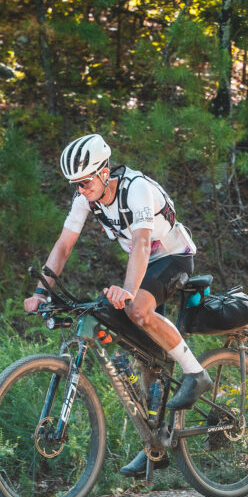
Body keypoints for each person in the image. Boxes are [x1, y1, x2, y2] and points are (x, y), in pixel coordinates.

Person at [24, 133, 212, 478]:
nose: (80, 189)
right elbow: (64, 245)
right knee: (139, 349)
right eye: (75, 184)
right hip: (144, 264)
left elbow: (142, 243)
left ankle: (196, 373)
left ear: (103, 172)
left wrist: (128, 290)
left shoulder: (135, 188)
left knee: (137, 309)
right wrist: (41, 292)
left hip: (173, 257)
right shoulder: (87, 198)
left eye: (84, 182)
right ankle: (155, 442)